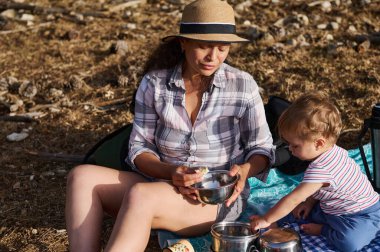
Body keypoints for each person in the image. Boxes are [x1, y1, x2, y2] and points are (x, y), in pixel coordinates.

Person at [65, 0, 275, 251]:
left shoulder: (242, 85)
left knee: (142, 195)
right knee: (81, 177)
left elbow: (262, 148)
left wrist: (245, 170)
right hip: (157, 183)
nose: (213, 57)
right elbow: (139, 148)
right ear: (183, 42)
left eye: (222, 48)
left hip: (212, 199)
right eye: (204, 47)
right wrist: (169, 172)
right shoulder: (154, 84)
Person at [250, 93, 380, 252]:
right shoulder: (332, 150)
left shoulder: (322, 169)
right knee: (298, 212)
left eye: (295, 145)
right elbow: (318, 190)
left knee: (349, 243)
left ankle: (323, 230)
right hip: (331, 208)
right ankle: (279, 221)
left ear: (318, 143)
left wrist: (265, 218)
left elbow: (293, 198)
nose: (290, 149)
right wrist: (309, 202)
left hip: (360, 215)